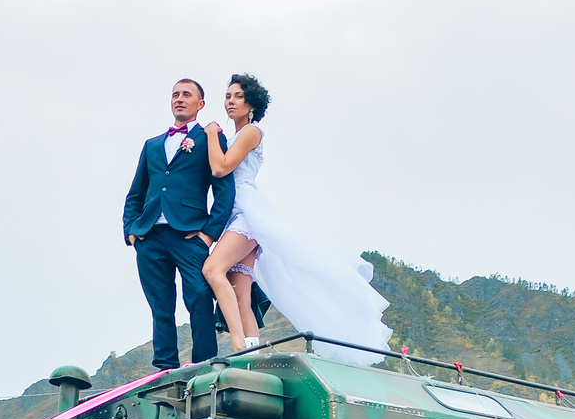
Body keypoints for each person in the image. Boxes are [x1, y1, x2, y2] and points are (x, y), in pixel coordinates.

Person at [197, 73, 391, 364]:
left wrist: (211, 134)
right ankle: (254, 355)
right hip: (233, 213)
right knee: (241, 293)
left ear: (251, 104)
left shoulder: (250, 132)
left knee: (213, 269)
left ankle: (239, 346)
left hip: (247, 214)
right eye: (227, 96)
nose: (230, 101)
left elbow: (222, 168)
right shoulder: (236, 135)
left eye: (238, 96)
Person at [122, 77, 238, 370]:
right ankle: (164, 364)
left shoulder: (208, 139)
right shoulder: (151, 145)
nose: (179, 99)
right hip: (149, 235)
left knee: (199, 295)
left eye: (187, 95)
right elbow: (136, 193)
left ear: (200, 104)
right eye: (175, 94)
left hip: (190, 234)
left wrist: (208, 235)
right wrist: (131, 232)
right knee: (160, 304)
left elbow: (224, 191)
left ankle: (205, 362)